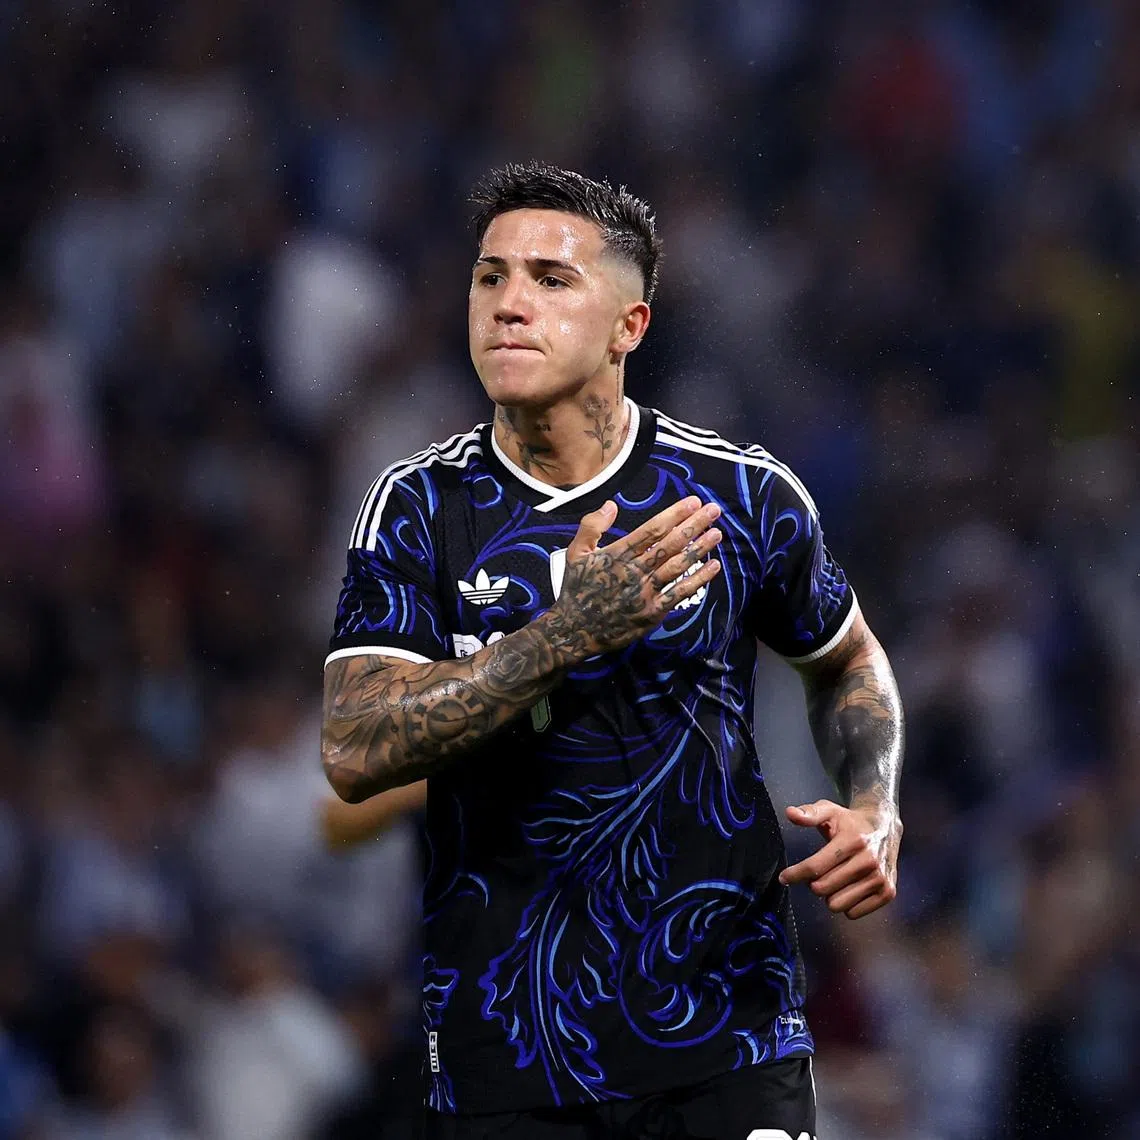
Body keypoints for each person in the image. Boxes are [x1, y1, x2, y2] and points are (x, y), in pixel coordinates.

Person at [321, 162, 904, 1140]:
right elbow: (355, 751)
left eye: (551, 281)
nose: (509, 304)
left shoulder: (741, 495)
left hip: (728, 1036)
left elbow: (848, 659)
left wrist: (877, 802)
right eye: (489, 276)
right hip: (511, 1053)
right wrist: (563, 639)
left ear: (629, 327)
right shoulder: (418, 509)